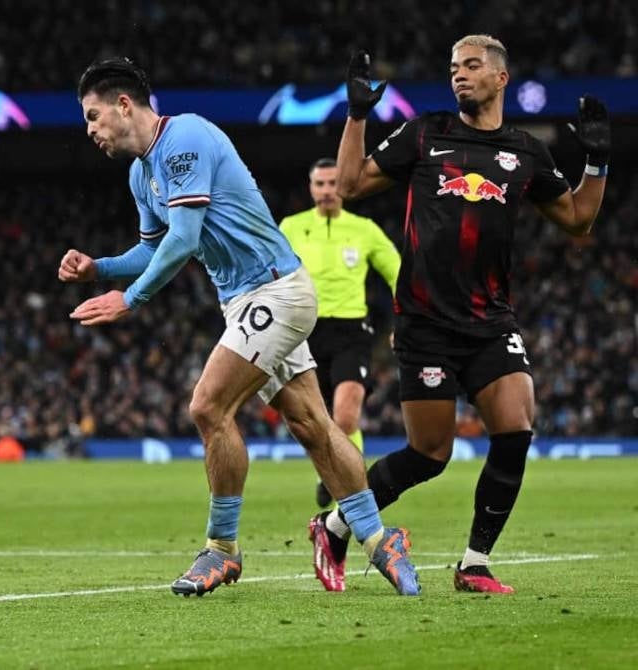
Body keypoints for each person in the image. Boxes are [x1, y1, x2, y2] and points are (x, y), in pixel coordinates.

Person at [60, 57, 419, 596]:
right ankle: (378, 538)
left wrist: (130, 299)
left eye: (93, 116)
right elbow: (153, 248)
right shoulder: (141, 173)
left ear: (124, 105)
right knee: (312, 425)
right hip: (249, 300)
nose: (89, 129)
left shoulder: (184, 138)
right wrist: (100, 269)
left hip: (274, 292)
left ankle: (222, 549)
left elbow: (184, 240)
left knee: (208, 407)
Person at [313, 35, 609, 594]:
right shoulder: (426, 133)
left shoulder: (525, 151)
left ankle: (474, 563)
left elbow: (578, 218)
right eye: (453, 68)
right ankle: (333, 526)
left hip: (490, 321)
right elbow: (349, 184)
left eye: (471, 66)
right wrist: (356, 115)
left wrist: (596, 162)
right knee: (430, 454)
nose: (459, 75)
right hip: (425, 322)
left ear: (500, 78)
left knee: (516, 427)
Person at [279, 158, 400, 507]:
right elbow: (268, 271)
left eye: (333, 183)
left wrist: (404, 320)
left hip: (351, 330)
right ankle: (328, 473)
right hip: (305, 330)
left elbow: (398, 272)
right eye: (320, 184)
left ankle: (354, 491)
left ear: (343, 186)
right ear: (311, 188)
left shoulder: (364, 230)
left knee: (345, 417)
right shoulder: (291, 227)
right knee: (316, 420)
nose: (327, 190)